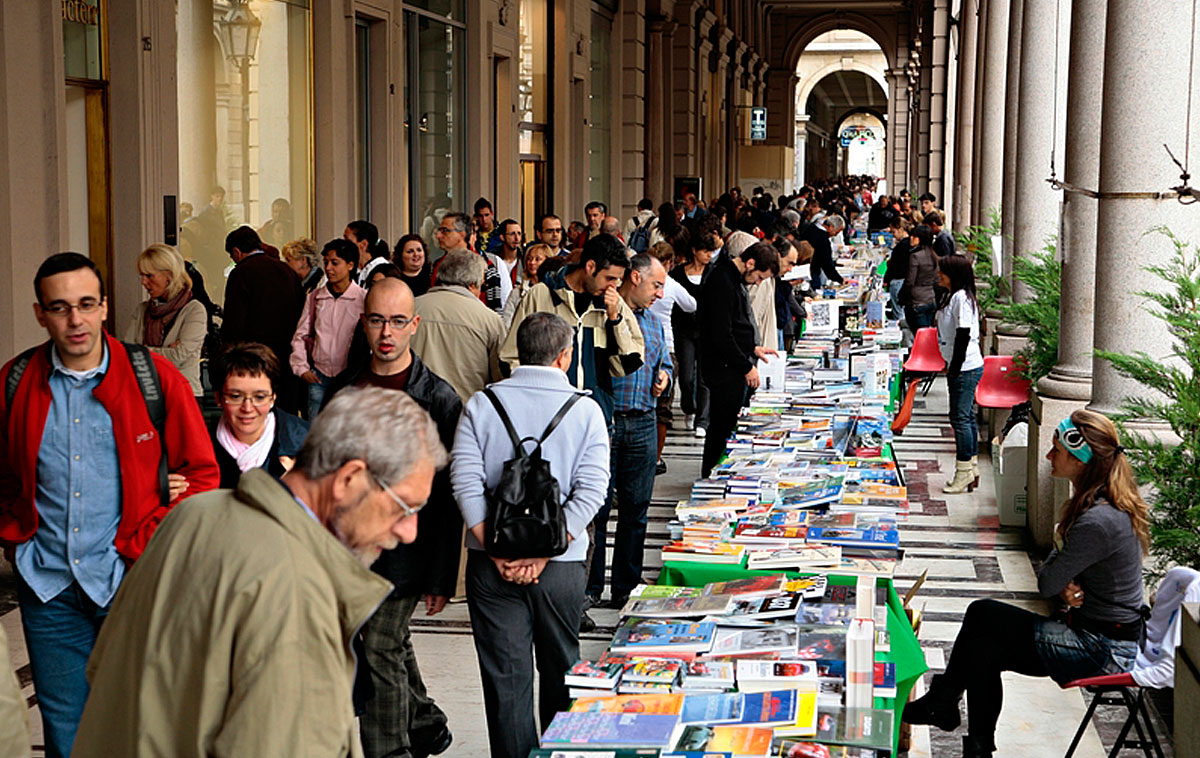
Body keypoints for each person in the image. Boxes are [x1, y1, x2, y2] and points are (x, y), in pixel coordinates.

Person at [73, 387, 445, 757]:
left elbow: (107, 667)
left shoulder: (193, 514)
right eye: (404, 507)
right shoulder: (299, 594)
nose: (408, 531)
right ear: (349, 479)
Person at [0, 253, 220, 757]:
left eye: (85, 304)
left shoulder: (153, 378)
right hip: (49, 586)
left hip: (131, 583)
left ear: (103, 307)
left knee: (144, 729)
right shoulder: (16, 382)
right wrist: (16, 533)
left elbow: (203, 475)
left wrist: (150, 534)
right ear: (40, 314)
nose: (75, 320)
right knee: (67, 732)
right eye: (60, 307)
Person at [904, 410, 1149, 758]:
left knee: (982, 616)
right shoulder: (1101, 503)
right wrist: (1066, 569)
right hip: (1100, 634)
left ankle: (944, 705)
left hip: (1104, 649)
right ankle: (967, 737)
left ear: (1080, 460)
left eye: (1056, 450)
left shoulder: (1098, 519)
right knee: (983, 647)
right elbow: (1062, 578)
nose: (1048, 456)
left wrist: (1061, 549)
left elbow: (1047, 582)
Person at [451, 312, 610, 758]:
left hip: (490, 566)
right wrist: (545, 552)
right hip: (560, 568)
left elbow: (464, 482)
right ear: (565, 356)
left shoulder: (482, 404)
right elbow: (592, 492)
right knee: (562, 669)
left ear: (518, 353)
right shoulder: (585, 410)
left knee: (505, 679)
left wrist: (497, 549)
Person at [322, 278, 462, 758]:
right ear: (363, 323)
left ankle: (390, 751)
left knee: (379, 643)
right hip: (351, 546)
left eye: (398, 321)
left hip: (408, 549)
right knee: (390, 640)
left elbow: (447, 499)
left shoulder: (438, 398)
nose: (387, 332)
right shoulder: (344, 388)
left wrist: (442, 577)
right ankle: (425, 723)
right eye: (378, 320)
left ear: (414, 325)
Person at [586, 254, 671, 608]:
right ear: (635, 278)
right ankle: (590, 587)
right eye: (656, 285)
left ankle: (626, 585)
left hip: (643, 422)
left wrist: (665, 376)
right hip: (605, 422)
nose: (660, 294)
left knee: (637, 509)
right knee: (598, 508)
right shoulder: (601, 315)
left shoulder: (654, 322)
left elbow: (665, 361)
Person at [500, 233, 644, 423]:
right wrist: (531, 399)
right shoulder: (541, 295)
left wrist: (615, 320)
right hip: (545, 418)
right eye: (609, 278)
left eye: (617, 280)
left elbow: (631, 363)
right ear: (590, 266)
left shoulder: (613, 303)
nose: (613, 286)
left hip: (594, 417)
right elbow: (510, 358)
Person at [698, 241, 779, 478]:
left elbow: (735, 325)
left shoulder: (732, 278)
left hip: (733, 363)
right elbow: (721, 334)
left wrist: (752, 348)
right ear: (750, 263)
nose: (758, 282)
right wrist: (745, 366)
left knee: (727, 425)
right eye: (760, 277)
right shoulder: (722, 281)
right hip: (724, 369)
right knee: (721, 428)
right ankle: (711, 475)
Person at [221, 225, 305, 413]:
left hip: (255, 361)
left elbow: (234, 323)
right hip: (288, 357)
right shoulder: (287, 271)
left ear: (236, 252)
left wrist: (229, 357)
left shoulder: (240, 273)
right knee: (285, 415)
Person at [409, 249, 506, 403]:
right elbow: (501, 378)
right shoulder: (490, 320)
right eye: (482, 285)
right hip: (467, 409)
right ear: (473, 284)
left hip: (413, 408)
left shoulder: (410, 309)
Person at [210, 342, 309, 488]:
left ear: (273, 397)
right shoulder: (199, 448)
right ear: (218, 398)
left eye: (260, 397)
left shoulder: (306, 441)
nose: (247, 408)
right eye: (236, 396)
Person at [289, 239, 366, 419]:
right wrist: (302, 368)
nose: (329, 268)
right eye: (326, 262)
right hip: (319, 376)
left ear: (350, 265)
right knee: (316, 428)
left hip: (350, 378)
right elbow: (301, 335)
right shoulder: (315, 298)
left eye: (335, 263)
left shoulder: (363, 299)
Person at [124, 243, 208, 398]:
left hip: (182, 397)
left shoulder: (194, 310)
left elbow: (178, 356)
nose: (143, 282)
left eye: (149, 276)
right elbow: (126, 355)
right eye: (142, 276)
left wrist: (144, 351)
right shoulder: (142, 310)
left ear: (169, 276)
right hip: (147, 395)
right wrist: (165, 351)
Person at [936, 253, 985, 494]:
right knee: (965, 417)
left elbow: (963, 334)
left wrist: (955, 366)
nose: (939, 274)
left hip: (965, 367)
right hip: (960, 365)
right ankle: (971, 467)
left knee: (960, 418)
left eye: (942, 271)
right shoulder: (952, 296)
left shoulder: (962, 299)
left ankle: (964, 471)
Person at [647, 240, 695, 472]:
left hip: (641, 344)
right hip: (666, 346)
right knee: (663, 405)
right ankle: (656, 457)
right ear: (669, 263)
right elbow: (691, 305)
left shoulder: (642, 282)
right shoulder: (672, 285)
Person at [670, 228, 710, 438]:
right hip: (684, 330)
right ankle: (688, 406)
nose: (709, 255)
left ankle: (702, 419)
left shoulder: (713, 272)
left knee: (704, 377)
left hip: (707, 330)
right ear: (695, 250)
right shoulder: (677, 274)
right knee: (686, 376)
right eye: (705, 251)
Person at [501, 242, 552, 329]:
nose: (532, 262)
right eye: (529, 259)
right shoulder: (517, 293)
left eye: (537, 259)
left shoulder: (554, 291)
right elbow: (507, 323)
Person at [901, 224, 939, 333]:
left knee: (920, 335)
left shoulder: (915, 256)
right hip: (931, 298)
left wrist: (902, 295)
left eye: (914, 236)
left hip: (917, 300)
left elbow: (910, 281)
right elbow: (936, 280)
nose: (911, 238)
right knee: (927, 333)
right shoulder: (934, 256)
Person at [802, 214, 845, 288]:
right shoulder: (823, 240)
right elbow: (827, 264)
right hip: (812, 272)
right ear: (831, 227)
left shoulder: (810, 227)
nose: (835, 235)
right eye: (836, 232)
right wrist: (840, 280)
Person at [489, 219, 524, 306]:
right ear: (502, 237)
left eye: (519, 234)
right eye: (512, 234)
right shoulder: (493, 261)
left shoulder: (525, 261)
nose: (517, 238)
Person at [346, 219, 391, 287]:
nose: (343, 245)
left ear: (363, 244)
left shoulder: (383, 270)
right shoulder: (352, 268)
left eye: (348, 241)